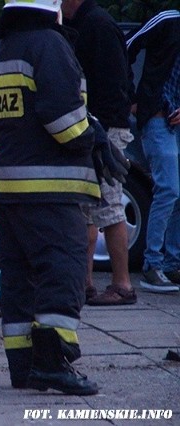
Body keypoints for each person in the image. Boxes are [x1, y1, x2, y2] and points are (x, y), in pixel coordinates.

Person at [0, 0, 126, 395]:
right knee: (61, 269)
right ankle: (52, 363)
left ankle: (23, 365)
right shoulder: (50, 45)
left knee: (18, 279)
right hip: (49, 190)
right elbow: (61, 116)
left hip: (9, 189)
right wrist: (91, 138)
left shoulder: (2, 52)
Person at [60, 0, 138, 305]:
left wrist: (99, 131)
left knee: (109, 205)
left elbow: (114, 83)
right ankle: (84, 283)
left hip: (104, 128)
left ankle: (122, 285)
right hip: (94, 126)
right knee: (86, 209)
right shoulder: (83, 25)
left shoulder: (98, 26)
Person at [126, 10, 180, 293]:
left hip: (173, 118)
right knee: (169, 189)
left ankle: (171, 263)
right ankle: (152, 265)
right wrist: (133, 97)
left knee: (177, 192)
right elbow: (127, 46)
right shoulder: (169, 20)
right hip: (158, 117)